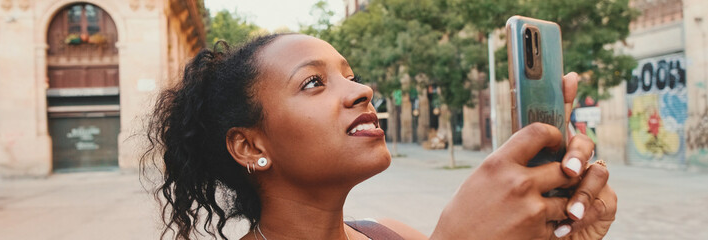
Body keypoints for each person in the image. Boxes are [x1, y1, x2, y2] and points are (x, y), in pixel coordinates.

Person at [143, 33, 616, 240]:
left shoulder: (393, 235)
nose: (362, 91)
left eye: (352, 76)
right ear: (251, 146)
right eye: (313, 82)